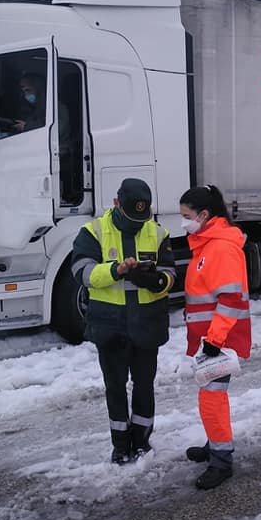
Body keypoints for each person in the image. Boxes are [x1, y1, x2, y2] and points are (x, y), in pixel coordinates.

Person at [71, 178, 176, 464]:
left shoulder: (157, 232)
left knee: (144, 386)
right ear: (116, 204)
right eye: (132, 217)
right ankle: (120, 445)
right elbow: (83, 272)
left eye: (140, 218)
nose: (137, 224)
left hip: (146, 326)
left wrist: (156, 280)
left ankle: (142, 441)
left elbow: (170, 275)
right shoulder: (92, 232)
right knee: (115, 388)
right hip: (110, 327)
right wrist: (116, 271)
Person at [179, 185, 251, 490]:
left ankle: (221, 461)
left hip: (221, 341)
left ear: (204, 215)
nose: (183, 222)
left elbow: (231, 299)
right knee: (209, 396)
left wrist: (213, 341)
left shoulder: (220, 248)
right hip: (212, 339)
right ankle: (215, 446)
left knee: (211, 399)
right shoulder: (207, 245)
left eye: (187, 216)